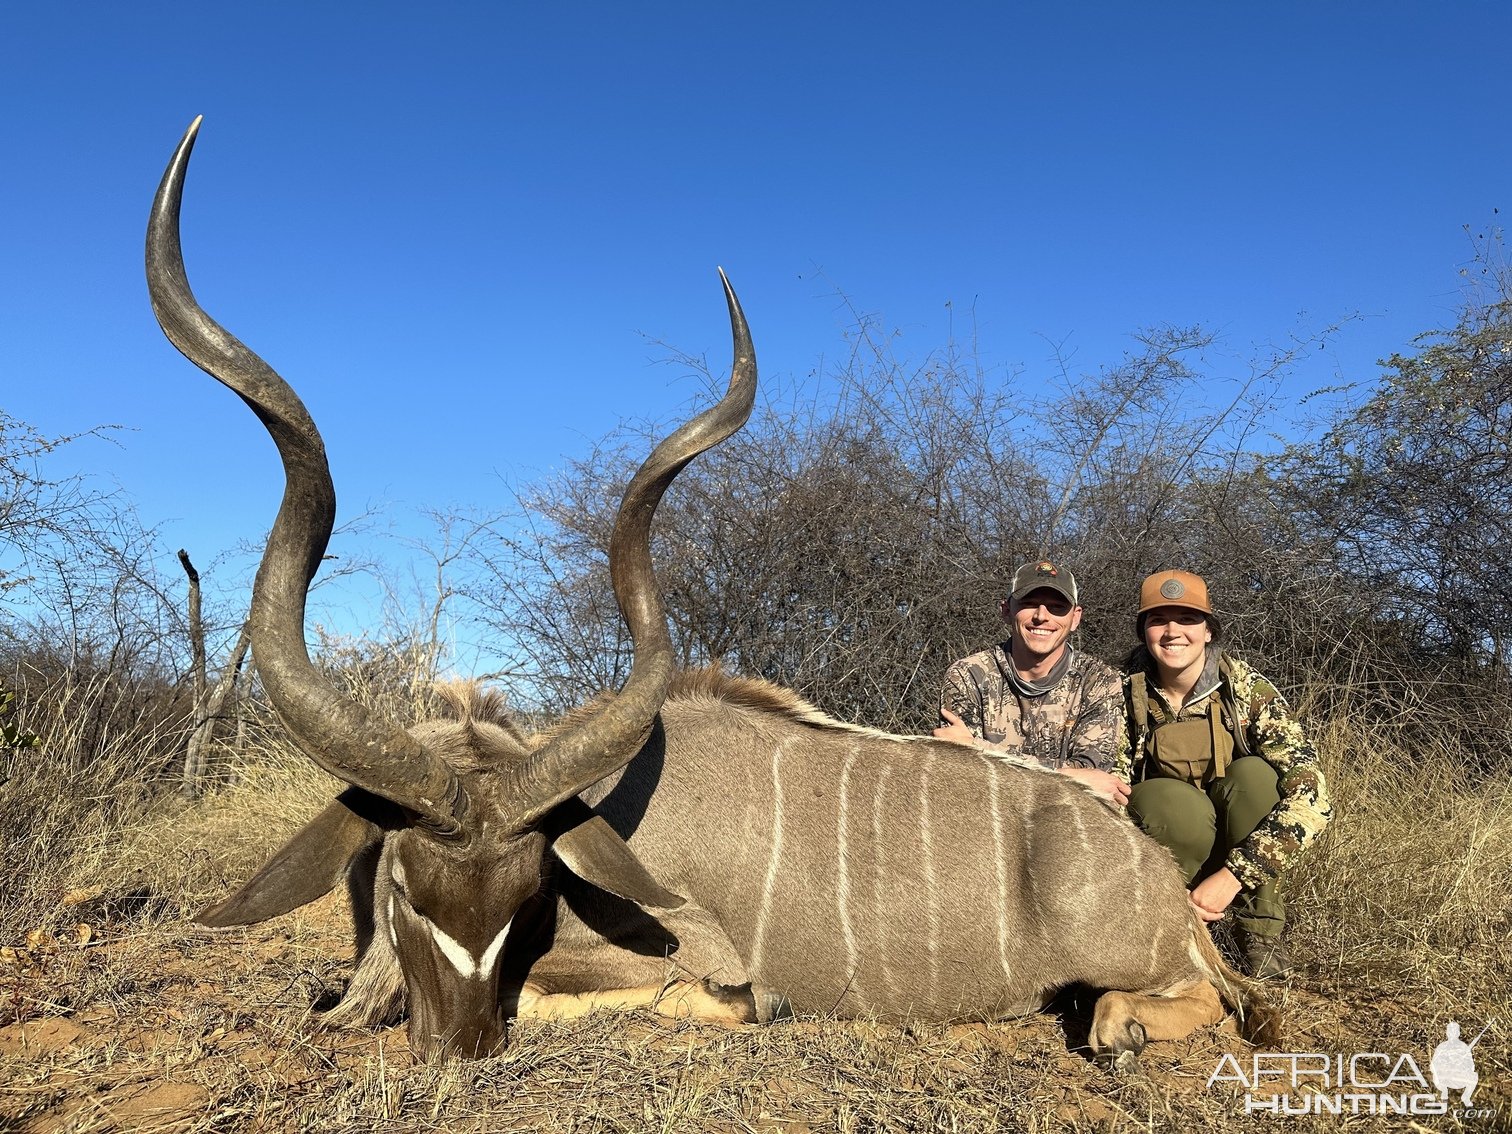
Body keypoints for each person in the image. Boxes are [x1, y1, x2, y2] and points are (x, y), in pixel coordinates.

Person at [1117, 570, 1332, 979]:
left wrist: (1234, 876)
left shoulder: (1247, 689)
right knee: (1167, 801)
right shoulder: (1123, 696)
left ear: (1209, 631)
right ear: (1144, 631)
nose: (1172, 632)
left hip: (1240, 862)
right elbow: (1111, 793)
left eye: (1187, 619)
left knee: (1256, 777)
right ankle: (1173, 928)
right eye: (1158, 620)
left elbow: (1314, 798)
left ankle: (1258, 934)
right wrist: (1161, 889)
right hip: (1167, 857)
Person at [935, 559, 1128, 804]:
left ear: (1076, 618)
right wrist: (1065, 775)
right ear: (1006, 610)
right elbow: (963, 772)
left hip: (1067, 813)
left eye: (1057, 607)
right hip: (987, 810)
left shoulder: (1099, 680)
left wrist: (980, 748)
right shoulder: (968, 674)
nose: (1041, 616)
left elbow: (1090, 774)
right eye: (1028, 604)